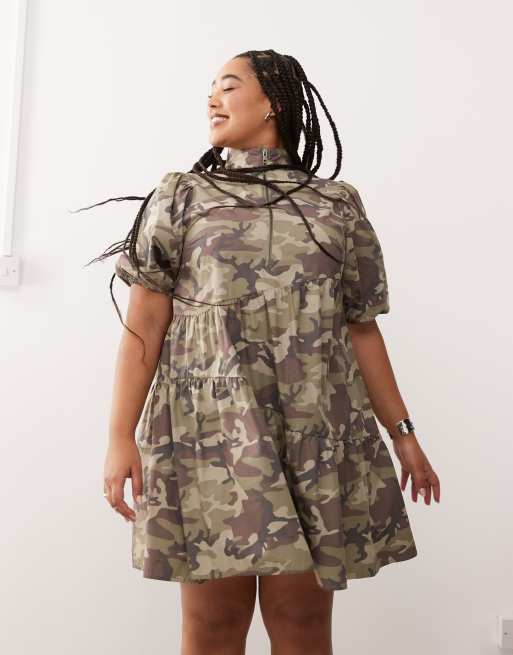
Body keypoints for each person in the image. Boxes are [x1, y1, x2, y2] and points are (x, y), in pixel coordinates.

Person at [81, 49, 440, 655]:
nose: (212, 100)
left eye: (227, 86)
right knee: (213, 626)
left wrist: (403, 433)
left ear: (271, 102)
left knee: (301, 625)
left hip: (312, 432)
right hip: (207, 435)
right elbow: (144, 325)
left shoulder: (336, 204)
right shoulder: (181, 197)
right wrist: (121, 436)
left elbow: (361, 329)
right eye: (211, 89)